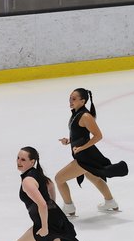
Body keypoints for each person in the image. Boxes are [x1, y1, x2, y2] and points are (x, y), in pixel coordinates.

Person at [11, 146, 85, 241]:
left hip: (45, 221)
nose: (19, 161)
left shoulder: (27, 181)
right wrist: (52, 209)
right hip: (54, 215)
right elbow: (50, 185)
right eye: (18, 158)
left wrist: (44, 226)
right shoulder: (38, 174)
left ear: (32, 162)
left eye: (23, 159)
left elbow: (42, 205)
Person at [55, 88, 129, 217]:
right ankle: (110, 202)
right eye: (70, 98)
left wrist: (81, 148)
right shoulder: (76, 113)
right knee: (94, 178)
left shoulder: (85, 116)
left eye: (74, 99)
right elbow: (80, 134)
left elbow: (98, 136)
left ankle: (69, 207)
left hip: (85, 157)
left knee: (59, 178)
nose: (70, 101)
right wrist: (69, 141)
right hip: (83, 154)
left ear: (83, 101)